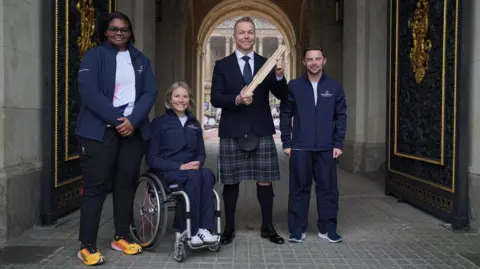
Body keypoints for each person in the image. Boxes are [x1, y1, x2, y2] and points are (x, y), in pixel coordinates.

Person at [75, 11, 157, 265]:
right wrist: (117, 119)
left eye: (123, 29)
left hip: (133, 132)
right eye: (113, 29)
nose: (119, 33)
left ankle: (121, 236)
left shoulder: (141, 59)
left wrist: (133, 121)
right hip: (99, 132)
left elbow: (149, 91)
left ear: (130, 32)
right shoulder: (94, 56)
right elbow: (89, 92)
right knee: (95, 188)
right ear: (105, 31)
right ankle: (87, 245)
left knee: (125, 186)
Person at [210, 16, 288, 245]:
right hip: (232, 129)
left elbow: (283, 95)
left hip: (261, 128)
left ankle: (268, 226)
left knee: (265, 181)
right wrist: (236, 99)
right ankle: (229, 227)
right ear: (235, 36)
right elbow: (215, 98)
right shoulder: (222, 65)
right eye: (242, 32)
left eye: (250, 32)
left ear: (255, 35)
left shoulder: (268, 63)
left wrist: (280, 76)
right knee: (230, 182)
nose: (246, 36)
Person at [280, 47, 347, 243]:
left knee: (328, 189)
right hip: (300, 147)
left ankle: (327, 229)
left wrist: (339, 143)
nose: (314, 63)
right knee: (299, 189)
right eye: (310, 59)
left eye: (318, 59)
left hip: (327, 148)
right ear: (304, 62)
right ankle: (297, 229)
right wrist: (286, 141)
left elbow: (341, 116)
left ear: (324, 61)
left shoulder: (334, 87)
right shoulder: (294, 86)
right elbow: (285, 113)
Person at [147, 81, 218, 246]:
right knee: (194, 176)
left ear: (190, 100)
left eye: (185, 96)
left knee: (207, 174)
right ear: (169, 100)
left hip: (191, 171)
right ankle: (191, 231)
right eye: (177, 96)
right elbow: (152, 158)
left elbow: (201, 153)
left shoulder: (194, 124)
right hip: (168, 172)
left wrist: (198, 163)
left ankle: (204, 230)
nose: (181, 100)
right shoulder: (159, 123)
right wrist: (180, 166)